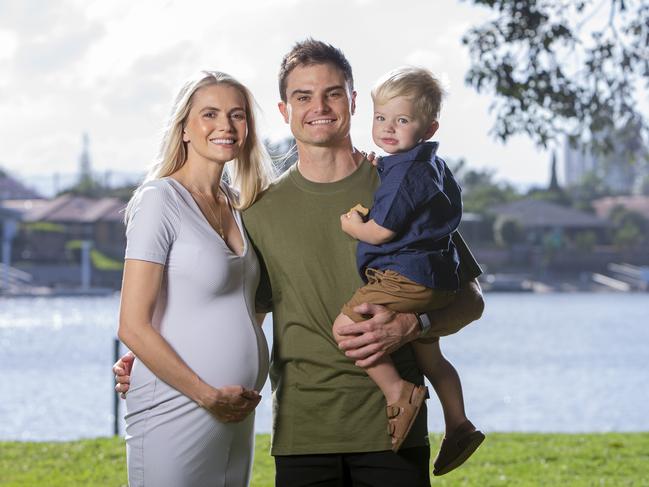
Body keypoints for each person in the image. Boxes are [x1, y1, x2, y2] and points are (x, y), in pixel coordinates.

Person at [116, 40, 485, 487]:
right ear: (283, 109)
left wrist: (415, 326)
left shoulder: (402, 187)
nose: (320, 107)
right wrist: (146, 353)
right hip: (302, 433)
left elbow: (470, 299)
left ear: (352, 100)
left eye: (332, 93)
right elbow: (232, 302)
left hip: (392, 430)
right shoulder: (255, 210)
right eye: (303, 96)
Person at [116, 70, 275, 487]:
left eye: (237, 115)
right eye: (210, 114)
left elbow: (241, 305)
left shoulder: (238, 204)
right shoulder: (159, 201)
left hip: (236, 409)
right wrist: (208, 395)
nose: (225, 125)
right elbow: (132, 324)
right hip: (178, 405)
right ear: (184, 127)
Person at [333, 66, 485, 470]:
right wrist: (380, 168)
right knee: (432, 359)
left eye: (401, 120)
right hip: (436, 278)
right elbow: (417, 199)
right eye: (381, 118)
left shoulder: (402, 173)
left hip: (404, 277)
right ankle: (460, 425)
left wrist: (354, 226)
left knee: (346, 328)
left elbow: (381, 233)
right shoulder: (430, 165)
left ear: (428, 127)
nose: (387, 128)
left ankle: (397, 391)